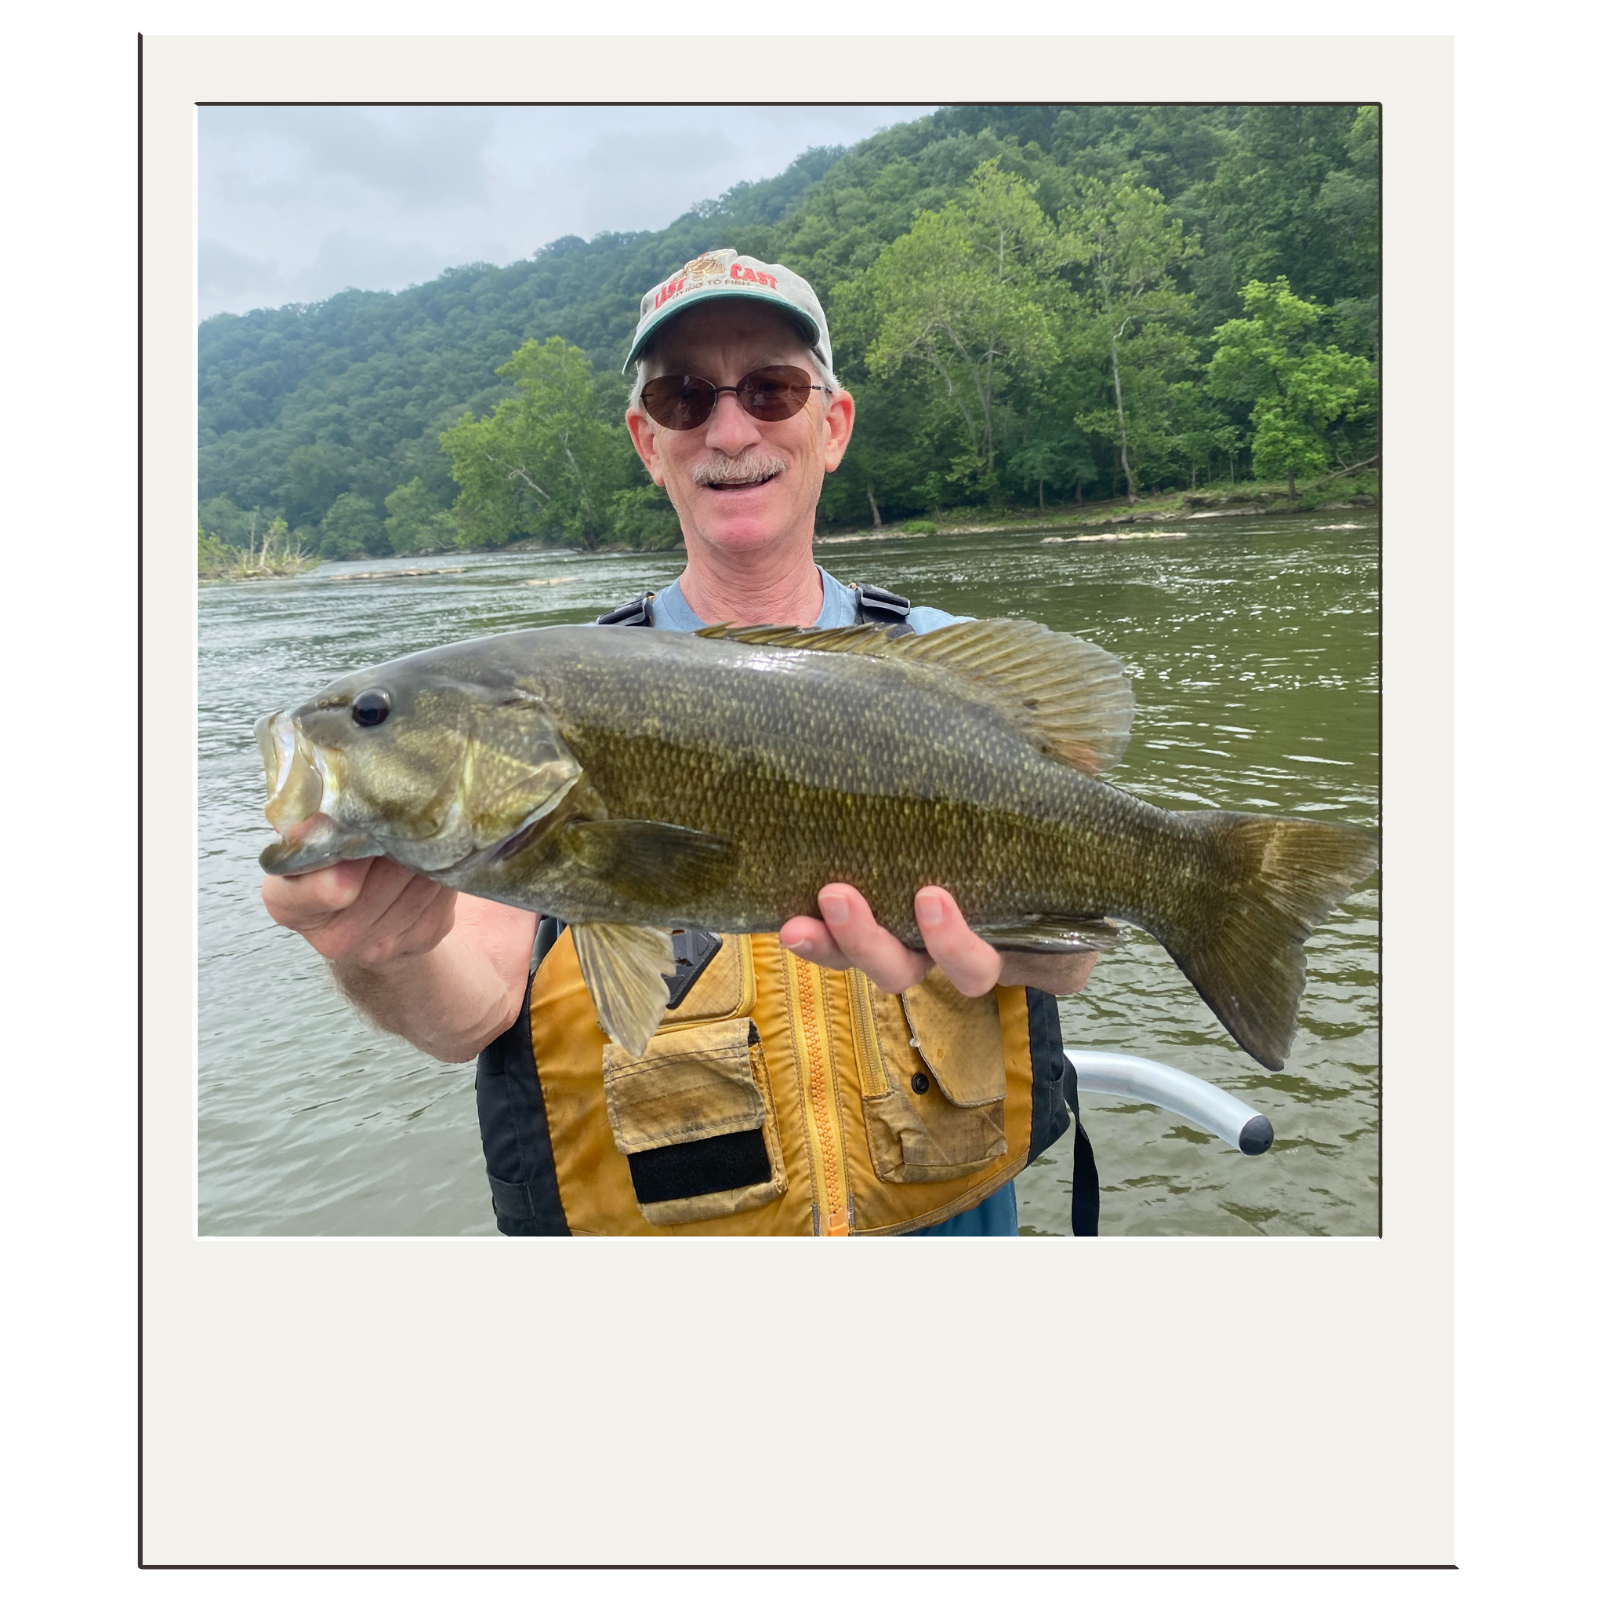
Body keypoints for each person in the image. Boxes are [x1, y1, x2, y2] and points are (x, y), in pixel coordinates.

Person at [262, 248, 1100, 1237]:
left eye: (772, 389)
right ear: (646, 439)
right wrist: (379, 949)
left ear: (830, 425)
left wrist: (1033, 952)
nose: (730, 427)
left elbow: (1076, 935)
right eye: (684, 396)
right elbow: (471, 1007)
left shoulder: (948, 668)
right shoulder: (564, 702)